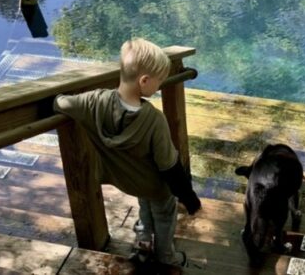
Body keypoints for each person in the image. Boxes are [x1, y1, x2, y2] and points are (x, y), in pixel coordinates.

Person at [54, 38, 201, 268]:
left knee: (144, 208)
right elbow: (169, 166)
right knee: (163, 216)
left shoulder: (94, 102)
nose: (160, 86)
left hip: (129, 182)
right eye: (159, 81)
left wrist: (58, 98)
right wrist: (189, 198)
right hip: (157, 185)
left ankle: (143, 246)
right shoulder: (154, 120)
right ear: (144, 81)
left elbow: (62, 103)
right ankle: (166, 257)